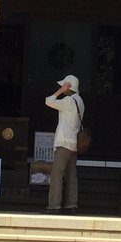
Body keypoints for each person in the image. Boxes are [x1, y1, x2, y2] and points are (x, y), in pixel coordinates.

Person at [44, 74, 83, 214]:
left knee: (57, 174)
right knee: (72, 175)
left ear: (68, 86)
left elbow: (48, 101)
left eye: (64, 86)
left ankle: (54, 205)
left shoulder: (68, 101)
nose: (62, 88)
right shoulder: (80, 101)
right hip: (74, 143)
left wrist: (60, 91)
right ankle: (72, 204)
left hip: (64, 142)